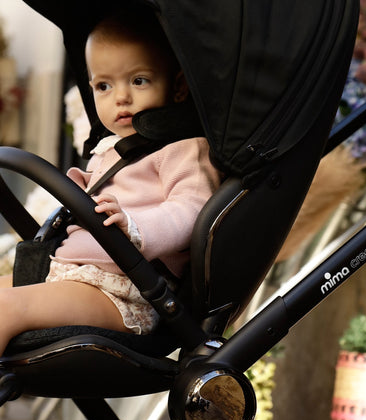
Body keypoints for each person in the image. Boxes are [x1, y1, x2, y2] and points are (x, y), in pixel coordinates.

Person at [0, 12, 220, 356]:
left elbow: (192, 210)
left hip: (125, 292)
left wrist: (135, 227)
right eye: (104, 86)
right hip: (72, 274)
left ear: (178, 85)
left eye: (139, 81)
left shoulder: (182, 150)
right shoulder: (110, 148)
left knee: (5, 308)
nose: (121, 97)